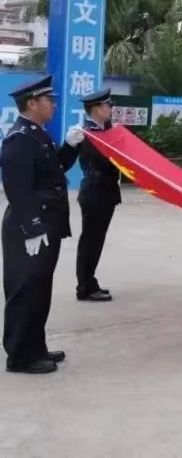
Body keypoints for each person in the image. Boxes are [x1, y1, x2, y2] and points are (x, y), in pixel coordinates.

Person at [1, 76, 81, 375]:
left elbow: (54, 169)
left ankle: (35, 346)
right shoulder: (19, 138)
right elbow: (16, 187)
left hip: (46, 222)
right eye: (49, 100)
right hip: (29, 227)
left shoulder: (38, 133)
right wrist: (32, 227)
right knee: (24, 290)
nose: (54, 105)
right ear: (32, 103)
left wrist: (71, 147)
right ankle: (20, 356)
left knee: (39, 289)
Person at [75, 89, 121, 303]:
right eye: (107, 106)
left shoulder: (107, 130)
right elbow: (104, 164)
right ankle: (85, 286)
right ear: (95, 109)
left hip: (106, 193)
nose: (110, 109)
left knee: (96, 241)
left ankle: (88, 281)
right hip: (95, 193)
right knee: (90, 242)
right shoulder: (88, 134)